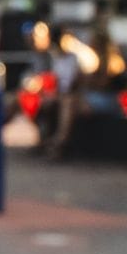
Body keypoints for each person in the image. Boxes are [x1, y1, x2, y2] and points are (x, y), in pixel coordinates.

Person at [43, 27, 84, 158]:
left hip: (72, 96)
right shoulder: (53, 58)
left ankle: (59, 141)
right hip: (56, 94)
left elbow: (78, 83)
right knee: (44, 102)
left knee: (67, 102)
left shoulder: (78, 58)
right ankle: (44, 138)